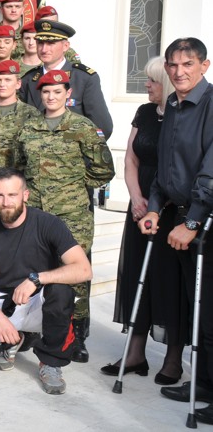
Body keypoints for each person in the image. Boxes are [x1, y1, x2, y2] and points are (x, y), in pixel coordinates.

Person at [14, 69, 115, 362]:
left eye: (57, 92)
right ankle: (35, 330)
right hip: (36, 214)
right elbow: (19, 167)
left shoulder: (83, 127)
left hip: (72, 214)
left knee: (74, 276)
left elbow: (104, 170)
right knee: (37, 268)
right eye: (46, 92)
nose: (51, 97)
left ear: (68, 94)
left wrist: (73, 186)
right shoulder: (29, 128)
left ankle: (77, 336)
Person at [0, 168, 92, 395]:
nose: (6, 202)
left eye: (12, 195)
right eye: (0, 195)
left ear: (25, 195)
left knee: (61, 292)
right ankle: (14, 341)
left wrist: (37, 279)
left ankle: (51, 363)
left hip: (40, 304)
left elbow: (84, 270)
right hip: (5, 302)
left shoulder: (48, 223)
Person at [101, 56, 185, 384]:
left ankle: (173, 358)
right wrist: (136, 198)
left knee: (169, 280)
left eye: (152, 80)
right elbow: (131, 158)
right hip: (140, 206)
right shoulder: (145, 112)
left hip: (171, 208)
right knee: (138, 273)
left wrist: (157, 202)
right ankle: (135, 353)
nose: (146, 85)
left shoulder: (184, 115)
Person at [143, 38, 213, 416]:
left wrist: (192, 221)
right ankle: (203, 381)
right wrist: (155, 207)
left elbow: (211, 172)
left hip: (204, 219)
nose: (179, 71)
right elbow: (165, 164)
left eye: (188, 64)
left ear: (204, 65)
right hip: (179, 217)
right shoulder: (172, 103)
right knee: (196, 305)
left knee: (211, 309)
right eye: (173, 64)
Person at [20, 20, 114, 139]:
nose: (44, 49)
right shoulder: (28, 79)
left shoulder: (83, 78)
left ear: (65, 46)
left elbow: (103, 126)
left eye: (50, 43)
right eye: (40, 43)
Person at [0, 60, 40, 169]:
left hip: (17, 175)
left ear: (18, 84)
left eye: (8, 80)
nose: (2, 84)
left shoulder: (31, 113)